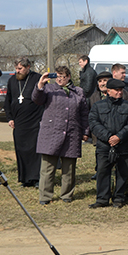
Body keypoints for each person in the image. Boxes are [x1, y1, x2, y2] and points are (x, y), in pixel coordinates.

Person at [32, 66, 90, 205]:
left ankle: (67, 195)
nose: (59, 79)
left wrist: (85, 131)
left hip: (72, 133)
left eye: (62, 76)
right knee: (47, 168)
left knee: (69, 168)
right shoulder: (49, 89)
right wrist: (40, 84)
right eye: (57, 76)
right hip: (51, 133)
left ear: (69, 77)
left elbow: (84, 114)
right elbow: (37, 99)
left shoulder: (78, 92)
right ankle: (45, 196)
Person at [88, 79, 128, 208]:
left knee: (122, 173)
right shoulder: (98, 106)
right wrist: (109, 137)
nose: (119, 92)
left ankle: (119, 198)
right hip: (104, 146)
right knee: (102, 172)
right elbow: (94, 123)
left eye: (121, 90)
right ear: (108, 91)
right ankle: (102, 199)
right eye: (116, 90)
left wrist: (119, 137)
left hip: (123, 145)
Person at [4, 57, 43, 186]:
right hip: (19, 122)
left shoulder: (37, 78)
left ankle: (36, 178)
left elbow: (44, 98)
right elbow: (8, 101)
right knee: (21, 150)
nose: (18, 71)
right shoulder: (12, 80)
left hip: (34, 120)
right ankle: (25, 179)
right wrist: (10, 118)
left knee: (34, 150)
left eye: (20, 69)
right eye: (16, 69)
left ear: (28, 67)